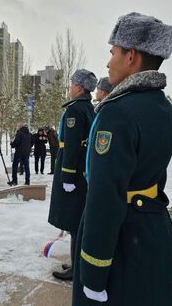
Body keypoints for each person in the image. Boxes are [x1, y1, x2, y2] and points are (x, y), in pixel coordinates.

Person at [73, 12, 172, 305]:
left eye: (113, 53)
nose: (108, 62)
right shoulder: (162, 107)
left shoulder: (117, 112)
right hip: (152, 229)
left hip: (122, 239)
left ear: (131, 56)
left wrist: (94, 271)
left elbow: (105, 196)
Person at [48, 69, 96, 281]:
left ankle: (76, 269)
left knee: (74, 221)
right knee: (77, 221)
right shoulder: (87, 108)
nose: (69, 87)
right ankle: (76, 262)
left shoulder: (75, 111)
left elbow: (73, 146)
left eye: (71, 84)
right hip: (81, 172)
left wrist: (67, 176)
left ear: (78, 87)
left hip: (73, 173)